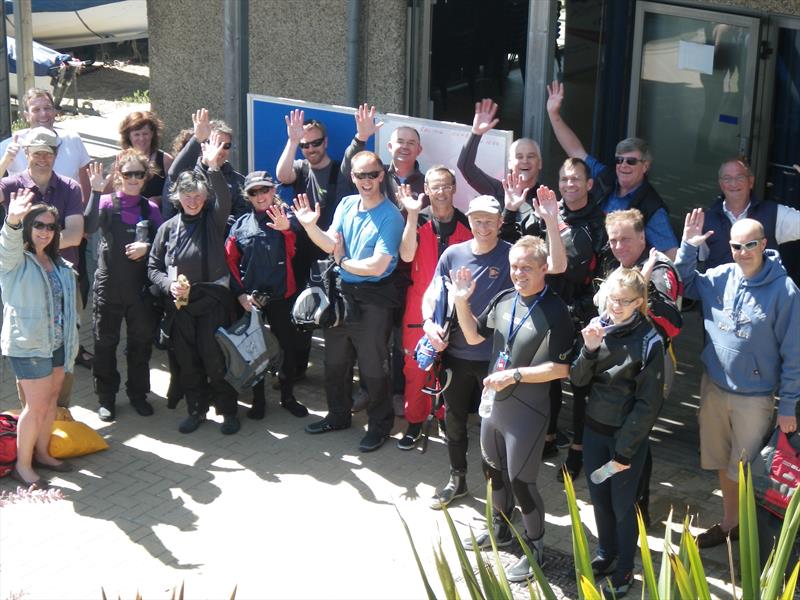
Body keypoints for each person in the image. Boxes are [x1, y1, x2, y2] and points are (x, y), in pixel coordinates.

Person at [426, 188, 567, 509]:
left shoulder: (512, 255)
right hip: (457, 354)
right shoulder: (453, 254)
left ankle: (501, 497)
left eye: (489, 220)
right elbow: (433, 295)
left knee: (497, 431)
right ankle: (457, 479)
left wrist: (552, 221)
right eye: (477, 220)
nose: (483, 226)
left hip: (498, 363)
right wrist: (426, 325)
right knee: (455, 422)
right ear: (469, 220)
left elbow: (556, 266)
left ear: (501, 222)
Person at [675, 211, 799, 549]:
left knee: (746, 472)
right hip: (714, 387)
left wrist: (787, 406)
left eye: (750, 245)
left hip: (755, 397)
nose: (742, 251)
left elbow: (794, 355)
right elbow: (682, 284)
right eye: (735, 246)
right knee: (720, 461)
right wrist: (688, 246)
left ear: (764, 244)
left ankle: (751, 540)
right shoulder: (720, 276)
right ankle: (730, 524)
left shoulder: (786, 291)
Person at [454, 236, 574, 583]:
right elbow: (474, 336)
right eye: (514, 267)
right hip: (495, 406)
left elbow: (562, 369)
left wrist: (515, 375)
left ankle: (534, 548)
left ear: (543, 269)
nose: (518, 273)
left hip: (527, 411)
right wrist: (462, 302)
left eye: (526, 267)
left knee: (522, 483)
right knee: (492, 471)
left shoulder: (556, 311)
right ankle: (500, 529)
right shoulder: (505, 298)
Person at [293, 151, 404, 452]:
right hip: (342, 297)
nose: (366, 181)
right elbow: (331, 243)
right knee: (335, 363)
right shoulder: (346, 204)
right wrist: (309, 227)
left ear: (382, 176)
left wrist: (342, 262)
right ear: (352, 177)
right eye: (360, 175)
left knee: (373, 368)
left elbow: (378, 266)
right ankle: (338, 416)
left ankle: (380, 426)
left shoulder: (391, 216)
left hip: (375, 300)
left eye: (372, 174)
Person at [501, 158, 606, 471]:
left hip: (581, 313)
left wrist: (583, 310)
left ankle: (577, 448)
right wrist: (510, 209)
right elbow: (513, 243)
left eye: (576, 179)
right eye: (564, 179)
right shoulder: (548, 211)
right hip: (545, 309)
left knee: (580, 382)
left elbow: (594, 272)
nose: (569, 184)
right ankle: (547, 437)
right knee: (547, 378)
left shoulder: (599, 222)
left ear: (589, 184)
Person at [570, 268, 665, 598]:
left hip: (625, 441)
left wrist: (625, 451)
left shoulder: (650, 340)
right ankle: (606, 553)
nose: (617, 306)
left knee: (623, 505)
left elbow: (648, 403)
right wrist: (589, 349)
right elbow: (578, 381)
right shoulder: (600, 328)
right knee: (598, 498)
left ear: (639, 302)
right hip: (595, 432)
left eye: (625, 301)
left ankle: (626, 565)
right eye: (612, 299)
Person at [148, 133, 241, 435]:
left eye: (197, 195)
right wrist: (167, 286)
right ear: (177, 198)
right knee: (188, 361)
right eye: (186, 195)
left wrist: (213, 168)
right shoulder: (167, 229)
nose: (192, 200)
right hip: (180, 304)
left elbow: (224, 198)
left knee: (214, 357)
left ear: (204, 198)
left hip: (212, 300)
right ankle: (196, 409)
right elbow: (153, 267)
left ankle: (228, 410)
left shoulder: (213, 221)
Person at [546, 80, 678, 260]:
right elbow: (575, 151)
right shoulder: (605, 177)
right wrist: (554, 114)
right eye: (619, 160)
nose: (623, 165)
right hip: (585, 260)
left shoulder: (652, 207)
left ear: (645, 166)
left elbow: (671, 255)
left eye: (631, 161)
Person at [0, 190, 79, 488]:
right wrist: (12, 220)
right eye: (39, 225)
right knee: (34, 406)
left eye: (51, 227)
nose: (45, 232)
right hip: (30, 344)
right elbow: (7, 245)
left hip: (58, 343)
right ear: (29, 227)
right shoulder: (15, 261)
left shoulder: (58, 263)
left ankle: (43, 453)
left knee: (49, 402)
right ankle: (23, 465)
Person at [394, 166, 472, 450]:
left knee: (449, 370)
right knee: (415, 368)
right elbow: (405, 254)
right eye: (435, 186)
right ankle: (415, 421)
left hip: (455, 312)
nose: (441, 192)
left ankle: (443, 417)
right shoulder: (417, 220)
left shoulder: (467, 223)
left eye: (446, 186)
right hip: (418, 310)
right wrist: (412, 213)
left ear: (454, 188)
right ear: (426, 189)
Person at [83, 151, 163, 422]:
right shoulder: (105, 203)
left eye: (138, 174)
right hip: (109, 287)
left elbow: (165, 247)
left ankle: (138, 395)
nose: (132, 179)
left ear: (145, 177)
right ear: (118, 175)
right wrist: (95, 192)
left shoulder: (149, 208)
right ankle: (106, 398)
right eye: (127, 173)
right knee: (105, 344)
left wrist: (148, 246)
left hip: (139, 290)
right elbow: (88, 226)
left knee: (140, 344)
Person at [224, 170, 309, 420]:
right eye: (254, 192)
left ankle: (288, 396)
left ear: (273, 191)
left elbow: (297, 246)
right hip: (251, 301)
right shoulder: (239, 225)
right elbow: (229, 263)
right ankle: (258, 401)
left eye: (264, 190)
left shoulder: (288, 219)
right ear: (247, 196)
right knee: (254, 351)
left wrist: (286, 229)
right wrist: (240, 295)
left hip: (283, 297)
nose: (260, 196)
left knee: (287, 349)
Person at [276, 110, 349, 382]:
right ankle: (295, 372)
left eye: (315, 143)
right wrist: (292, 142)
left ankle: (337, 377)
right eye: (305, 145)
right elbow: (282, 176)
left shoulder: (341, 170)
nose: (310, 149)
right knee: (299, 311)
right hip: (300, 251)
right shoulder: (299, 168)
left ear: (326, 142)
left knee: (332, 314)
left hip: (330, 251)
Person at [701, 158, 800, 269]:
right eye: (727, 178)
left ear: (751, 182)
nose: (733, 183)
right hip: (719, 286)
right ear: (721, 184)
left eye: (740, 177)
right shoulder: (705, 219)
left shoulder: (774, 213)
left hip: (762, 286)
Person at [162, 109, 248, 226]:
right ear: (203, 144)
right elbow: (174, 176)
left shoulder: (239, 181)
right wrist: (197, 138)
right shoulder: (188, 171)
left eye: (226, 146)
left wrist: (210, 222)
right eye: (215, 143)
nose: (220, 150)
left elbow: (243, 219)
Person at [0, 88, 90, 196]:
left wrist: (84, 210)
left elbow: (86, 181)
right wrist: (5, 160)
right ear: (26, 116)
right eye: (36, 110)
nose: (43, 114)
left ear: (54, 112)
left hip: (68, 210)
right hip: (26, 210)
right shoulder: (9, 145)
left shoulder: (73, 139)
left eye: (47, 108)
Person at [457, 98, 542, 207]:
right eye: (519, 157)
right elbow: (465, 167)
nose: (525, 161)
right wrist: (476, 133)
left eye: (531, 156)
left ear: (540, 163)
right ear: (510, 163)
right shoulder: (499, 191)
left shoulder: (546, 197)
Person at [341, 103, 425, 202]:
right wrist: (362, 137)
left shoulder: (427, 183)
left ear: (419, 150)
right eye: (400, 141)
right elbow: (347, 171)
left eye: (411, 143)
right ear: (390, 147)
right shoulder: (376, 174)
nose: (405, 146)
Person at [116, 110, 174, 205]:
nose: (141, 139)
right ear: (129, 136)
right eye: (137, 134)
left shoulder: (165, 160)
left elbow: (175, 193)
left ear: (152, 134)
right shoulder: (121, 158)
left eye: (145, 134)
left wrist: (158, 200)